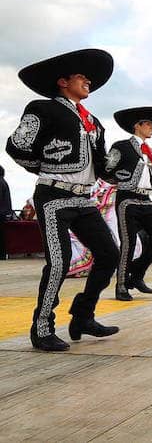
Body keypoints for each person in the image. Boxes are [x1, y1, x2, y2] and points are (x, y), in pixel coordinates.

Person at [5, 48, 120, 351]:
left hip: (84, 199)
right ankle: (41, 328)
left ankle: (83, 316)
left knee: (109, 254)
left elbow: (101, 164)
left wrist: (117, 170)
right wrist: (43, 169)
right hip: (54, 196)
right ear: (62, 82)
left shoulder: (93, 120)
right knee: (59, 262)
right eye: (82, 77)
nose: (89, 83)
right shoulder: (42, 108)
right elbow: (17, 146)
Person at [106, 107, 152, 301]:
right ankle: (122, 285)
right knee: (129, 242)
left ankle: (137, 273)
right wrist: (120, 180)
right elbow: (106, 168)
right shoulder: (122, 146)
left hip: (146, 199)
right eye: (148, 124)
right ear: (138, 126)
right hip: (127, 199)